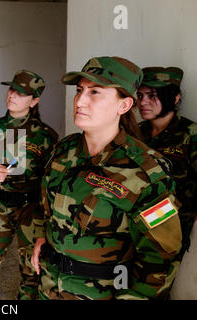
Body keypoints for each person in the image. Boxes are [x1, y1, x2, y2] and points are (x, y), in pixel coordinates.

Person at [31, 56, 183, 300]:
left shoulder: (146, 171)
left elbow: (162, 253)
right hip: (49, 285)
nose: (80, 100)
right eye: (79, 90)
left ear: (123, 106)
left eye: (95, 92)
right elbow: (44, 205)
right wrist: (41, 234)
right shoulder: (64, 150)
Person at [0, 70, 58, 300]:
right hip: (1, 206)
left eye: (22, 93)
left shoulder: (45, 136)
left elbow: (51, 180)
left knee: (31, 270)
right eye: (12, 89)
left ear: (34, 101)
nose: (12, 95)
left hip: (32, 210)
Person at [137, 67, 196, 259]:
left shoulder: (190, 134)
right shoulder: (135, 133)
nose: (143, 102)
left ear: (175, 98)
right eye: (140, 95)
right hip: (131, 225)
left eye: (152, 95)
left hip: (170, 229)